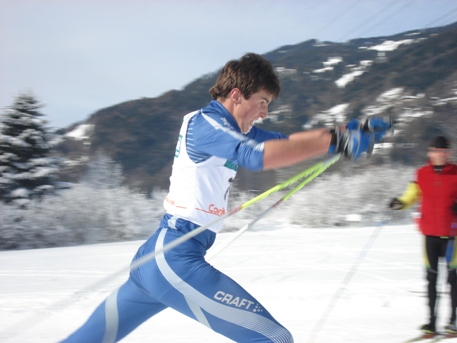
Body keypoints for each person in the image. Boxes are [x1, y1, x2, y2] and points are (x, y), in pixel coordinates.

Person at [61, 53, 390, 343]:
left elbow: (287, 140)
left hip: (161, 254)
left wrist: (347, 130)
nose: (264, 112)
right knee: (273, 339)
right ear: (236, 94)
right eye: (261, 102)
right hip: (174, 256)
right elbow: (256, 156)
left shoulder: (231, 128)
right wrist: (335, 141)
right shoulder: (207, 124)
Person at [389, 135, 457, 335]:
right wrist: (400, 203)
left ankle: (453, 321)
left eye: (444, 152)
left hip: (453, 235)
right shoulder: (421, 174)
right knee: (431, 279)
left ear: (449, 153)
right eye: (437, 151)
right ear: (430, 153)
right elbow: (411, 195)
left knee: (453, 279)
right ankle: (431, 323)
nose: (440, 155)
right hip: (430, 235)